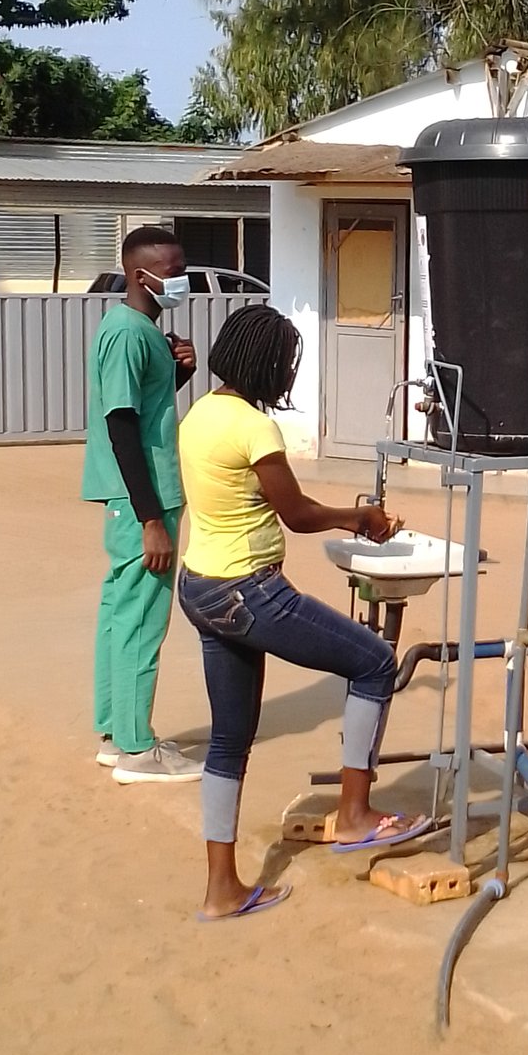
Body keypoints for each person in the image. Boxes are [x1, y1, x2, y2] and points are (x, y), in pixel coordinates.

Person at [176, 303, 429, 921]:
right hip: (248, 590)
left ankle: (221, 889)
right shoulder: (255, 427)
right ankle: (355, 814)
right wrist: (359, 518)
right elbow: (296, 514)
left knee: (230, 739)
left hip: (201, 586)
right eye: (286, 363)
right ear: (265, 365)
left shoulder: (200, 413)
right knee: (374, 661)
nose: (289, 374)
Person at [82, 225, 204, 785]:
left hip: (137, 497)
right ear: (140, 275)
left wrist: (180, 373)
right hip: (142, 499)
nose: (182, 281)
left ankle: (117, 733)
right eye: (173, 272)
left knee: (121, 612)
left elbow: (145, 406)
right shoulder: (128, 333)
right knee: (141, 620)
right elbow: (122, 424)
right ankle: (136, 748)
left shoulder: (139, 330)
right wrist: (151, 518)